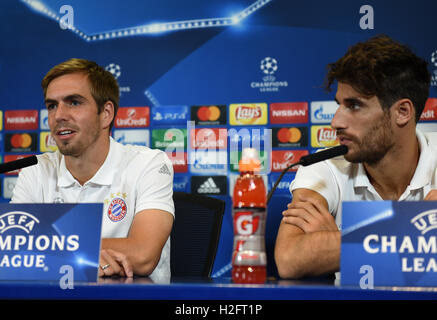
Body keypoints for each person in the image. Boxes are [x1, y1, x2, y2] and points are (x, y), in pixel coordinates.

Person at [275, 35, 437, 279]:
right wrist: (417, 233)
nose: (335, 122)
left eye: (354, 106)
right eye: (339, 104)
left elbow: (313, 253)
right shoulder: (325, 166)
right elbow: (289, 259)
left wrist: (338, 241)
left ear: (402, 112)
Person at [11, 58, 175, 282]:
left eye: (74, 102)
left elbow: (143, 254)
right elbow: (13, 251)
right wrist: (87, 255)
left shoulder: (149, 163)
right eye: (52, 105)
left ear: (106, 113)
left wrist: (47, 250)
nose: (59, 115)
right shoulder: (35, 170)